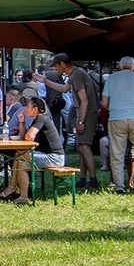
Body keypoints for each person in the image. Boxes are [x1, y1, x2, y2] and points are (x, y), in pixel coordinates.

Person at [37, 53, 99, 188]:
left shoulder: (77, 75)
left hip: (87, 113)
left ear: (62, 64)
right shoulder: (74, 74)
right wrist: (45, 81)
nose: (55, 70)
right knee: (80, 147)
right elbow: (64, 88)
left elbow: (84, 99)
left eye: (55, 67)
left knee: (85, 147)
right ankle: (83, 179)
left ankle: (93, 180)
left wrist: (81, 122)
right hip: (83, 112)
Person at [0, 97, 65, 204]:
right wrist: (22, 123)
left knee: (19, 154)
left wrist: (27, 132)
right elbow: (25, 136)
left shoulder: (42, 118)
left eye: (28, 107)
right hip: (46, 155)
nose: (26, 109)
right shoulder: (38, 119)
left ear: (35, 109)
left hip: (55, 158)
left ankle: (12, 188)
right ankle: (23, 197)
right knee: (21, 163)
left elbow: (29, 136)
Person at [100, 56, 134, 194]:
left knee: (117, 153)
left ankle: (119, 186)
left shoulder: (111, 78)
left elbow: (104, 103)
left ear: (120, 66)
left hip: (117, 117)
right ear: (133, 66)